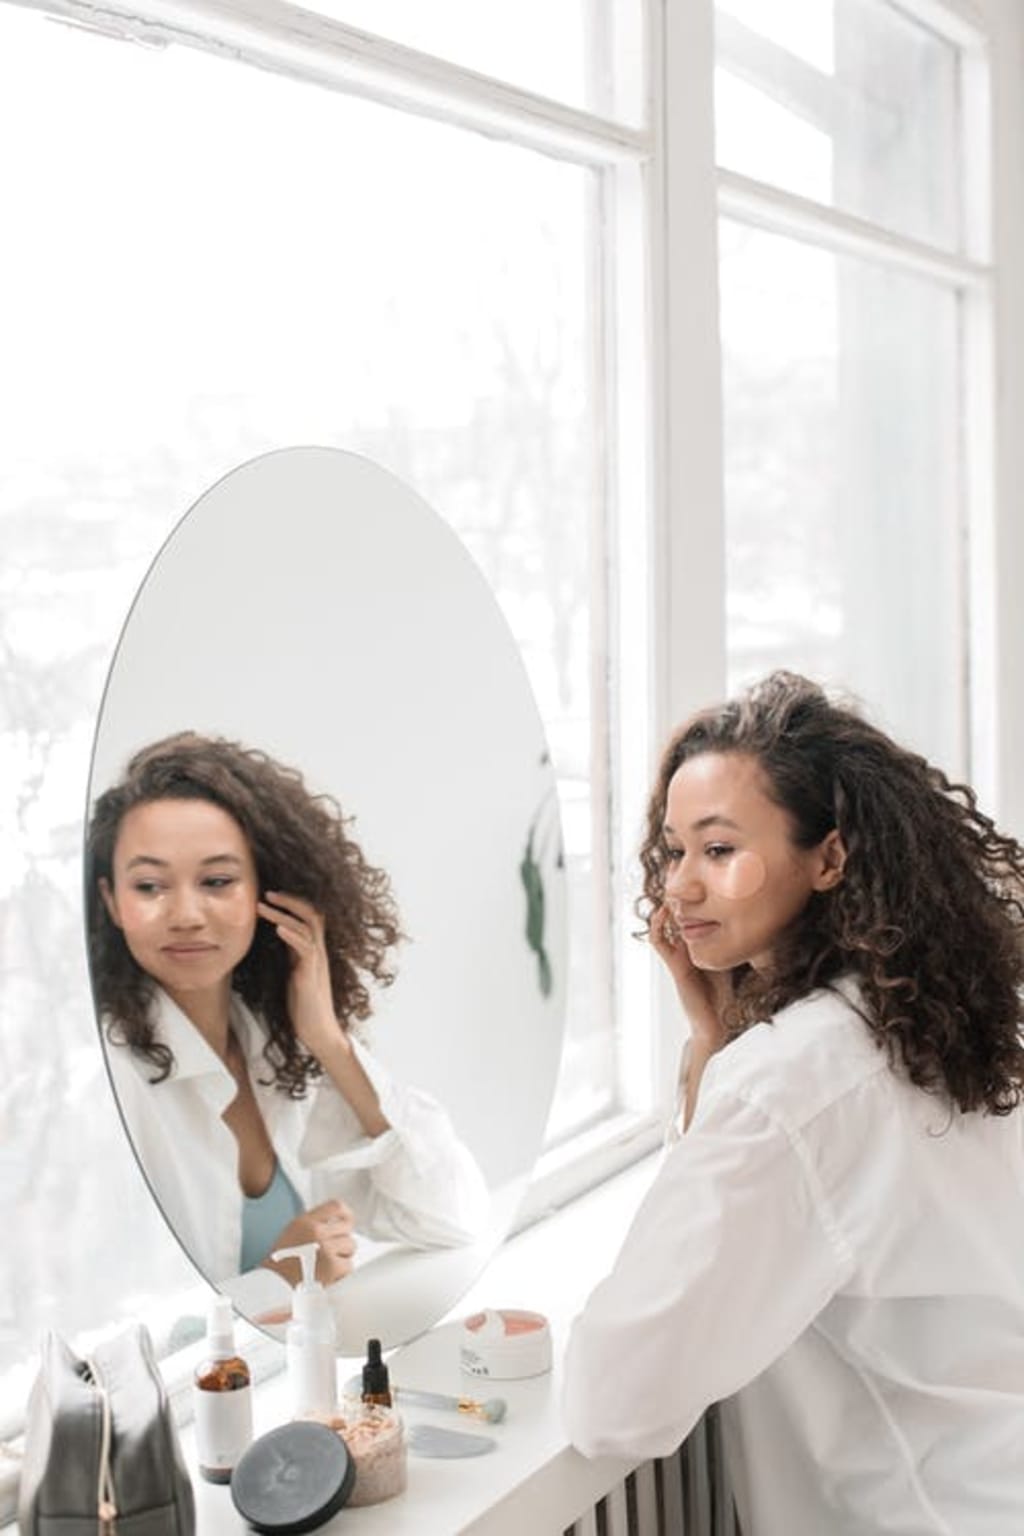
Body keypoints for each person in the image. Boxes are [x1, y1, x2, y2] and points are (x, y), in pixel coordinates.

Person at [563, 672, 1024, 1536]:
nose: (679, 888)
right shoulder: (931, 1021)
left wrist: (726, 1061)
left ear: (830, 859)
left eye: (718, 850)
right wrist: (714, 1041)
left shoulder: (787, 1081)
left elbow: (611, 1401)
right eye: (672, 851)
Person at [86, 732, 488, 1291]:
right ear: (111, 901)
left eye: (217, 881)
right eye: (150, 886)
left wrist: (329, 1042)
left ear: (266, 891)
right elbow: (114, 1314)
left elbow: (452, 1216)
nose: (186, 915)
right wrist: (275, 1279)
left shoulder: (276, 1052)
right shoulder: (107, 1081)